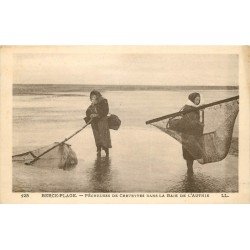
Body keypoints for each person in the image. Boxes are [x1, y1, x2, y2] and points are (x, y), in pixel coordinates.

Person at [181, 92, 204, 174]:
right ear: (192, 99)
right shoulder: (188, 108)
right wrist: (199, 124)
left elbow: (194, 120)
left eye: (199, 99)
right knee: (189, 153)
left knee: (191, 152)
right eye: (196, 99)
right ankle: (190, 171)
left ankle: (190, 171)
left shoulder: (193, 107)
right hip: (187, 135)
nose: (198, 101)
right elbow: (188, 122)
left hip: (192, 134)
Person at [84, 90, 112, 157]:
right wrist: (90, 115)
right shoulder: (93, 103)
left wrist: (97, 115)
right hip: (94, 123)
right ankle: (98, 150)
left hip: (102, 122)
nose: (93, 97)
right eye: (92, 96)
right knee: (97, 137)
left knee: (104, 137)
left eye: (94, 96)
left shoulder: (103, 101)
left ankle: (106, 152)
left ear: (97, 95)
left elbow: (106, 111)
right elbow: (88, 111)